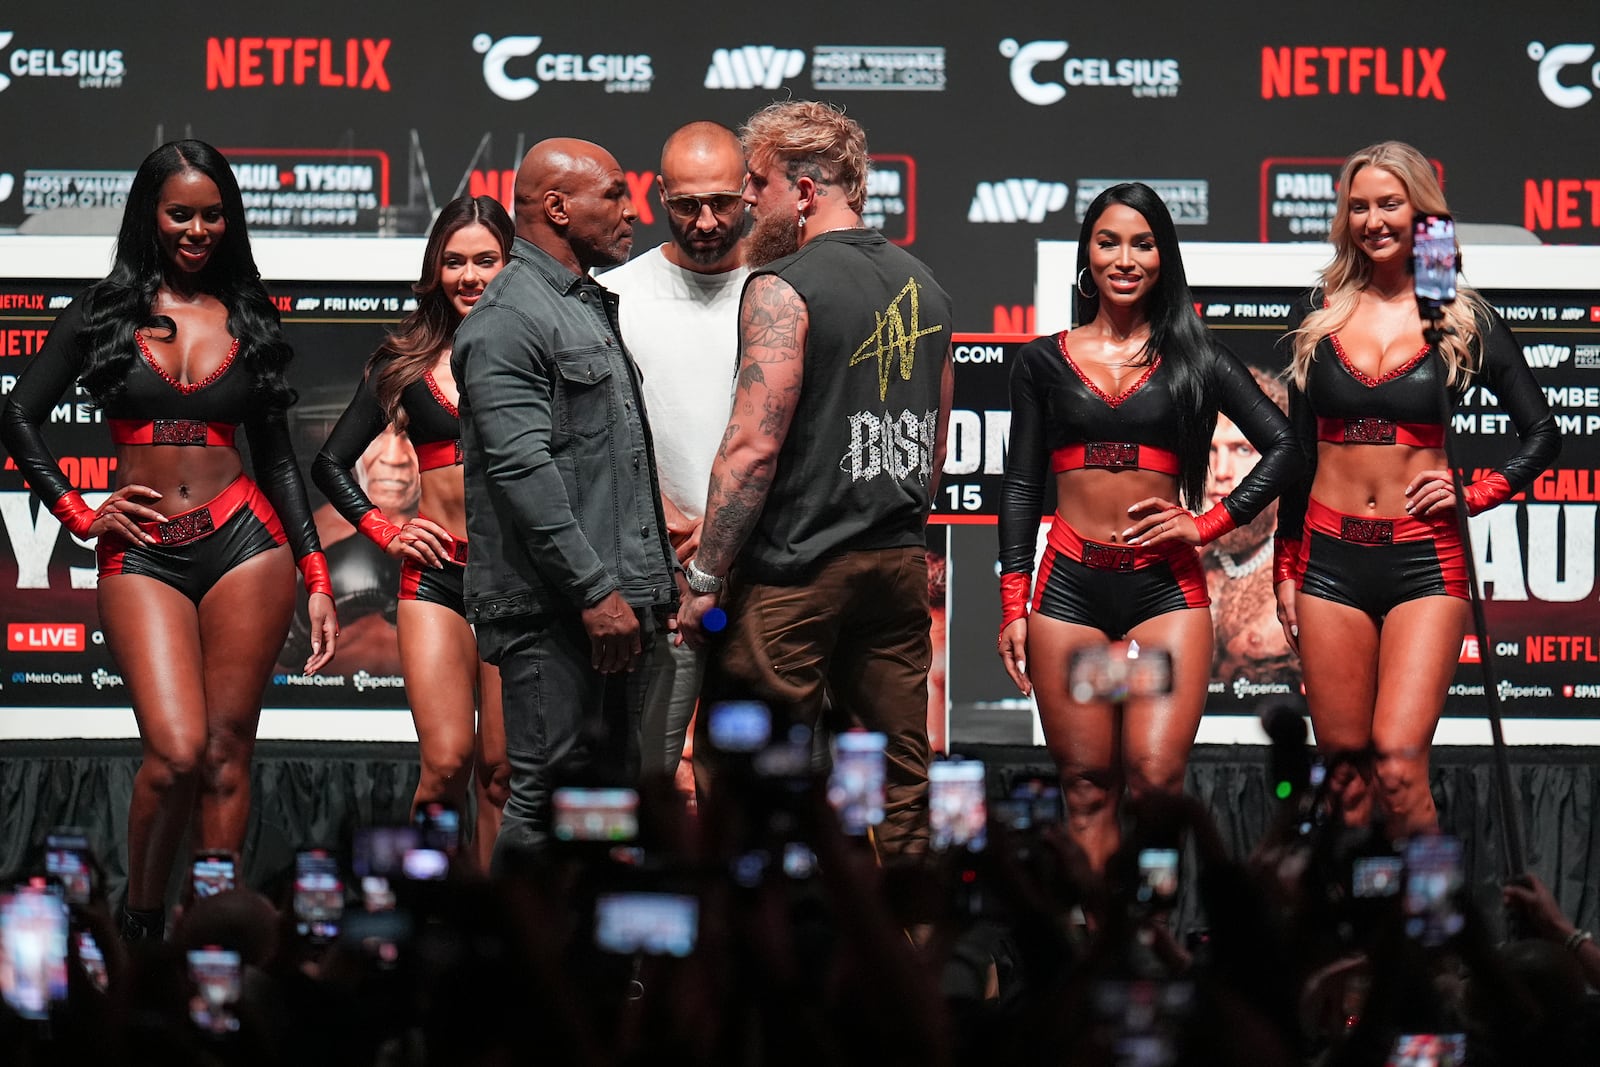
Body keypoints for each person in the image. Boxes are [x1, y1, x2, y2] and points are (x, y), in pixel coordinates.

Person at [0, 140, 337, 939]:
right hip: (141, 547)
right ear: (151, 215)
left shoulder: (250, 313)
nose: (198, 229)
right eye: (180, 213)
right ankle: (144, 920)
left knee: (226, 758)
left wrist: (317, 574)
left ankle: (212, 934)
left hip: (246, 541)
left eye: (213, 214)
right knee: (178, 752)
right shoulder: (102, 311)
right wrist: (81, 513)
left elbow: (280, 460)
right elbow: (16, 414)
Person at [677, 100, 955, 859]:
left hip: (795, 575)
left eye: (758, 184)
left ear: (803, 191)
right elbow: (932, 448)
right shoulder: (927, 286)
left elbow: (752, 450)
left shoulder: (781, 286)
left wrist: (705, 574)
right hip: (897, 568)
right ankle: (913, 958)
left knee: (749, 781)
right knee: (905, 784)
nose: (747, 202)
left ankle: (759, 965)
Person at [996, 182, 1299, 873]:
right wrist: (1015, 602)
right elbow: (1019, 485)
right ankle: (1096, 949)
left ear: (1164, 257)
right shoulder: (1043, 362)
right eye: (1108, 242)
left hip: (1164, 599)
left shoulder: (1197, 359)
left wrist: (1210, 523)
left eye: (1142, 242)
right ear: (1088, 255)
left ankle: (1150, 938)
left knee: (1157, 786)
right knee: (1086, 789)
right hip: (1070, 594)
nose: (1124, 258)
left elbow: (1286, 447)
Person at [1273, 141, 1559, 837]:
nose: (1374, 219)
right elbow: (1300, 455)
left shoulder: (1459, 316)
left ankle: (1434, 937)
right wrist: (1286, 562)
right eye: (1360, 205)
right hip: (1329, 563)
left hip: (1424, 563)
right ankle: (1368, 943)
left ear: (1422, 213)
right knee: (1346, 783)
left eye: (1390, 203)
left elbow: (1543, 434)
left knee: (1399, 773)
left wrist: (1478, 491)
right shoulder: (1321, 312)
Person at [451, 139, 680, 866]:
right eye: (614, 194)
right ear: (556, 207)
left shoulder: (577, 306)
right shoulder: (509, 318)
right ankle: (519, 972)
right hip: (554, 609)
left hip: (608, 602)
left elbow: (607, 463)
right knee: (544, 795)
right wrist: (596, 592)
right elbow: (523, 472)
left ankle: (586, 964)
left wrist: (646, 584)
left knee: (601, 802)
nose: (631, 210)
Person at [313, 194, 514, 869]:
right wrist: (384, 530)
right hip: (435, 578)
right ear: (434, 270)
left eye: (485, 260)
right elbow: (330, 462)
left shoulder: (542, 352)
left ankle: (493, 932)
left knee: (500, 769)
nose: (469, 276)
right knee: (446, 762)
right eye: (454, 261)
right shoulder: (405, 361)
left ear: (511, 265)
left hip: (518, 579)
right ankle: (420, 922)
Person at [598, 121, 749, 793]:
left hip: (761, 568)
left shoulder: (783, 287)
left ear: (749, 190)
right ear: (657, 194)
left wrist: (727, 534)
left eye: (722, 200)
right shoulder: (616, 295)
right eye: (687, 204)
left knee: (753, 783)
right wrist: (656, 521)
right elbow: (596, 431)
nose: (707, 220)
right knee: (649, 778)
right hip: (655, 572)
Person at [1203, 364, 1297, 688]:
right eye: (1209, 450)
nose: (1221, 471)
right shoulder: (1180, 560)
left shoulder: (1309, 568)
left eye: (1242, 449)